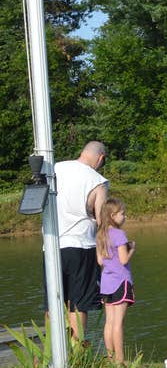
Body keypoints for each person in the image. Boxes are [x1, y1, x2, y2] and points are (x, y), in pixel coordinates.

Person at [47, 141, 109, 340]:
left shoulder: (54, 169)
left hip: (51, 246)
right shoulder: (98, 181)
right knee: (78, 304)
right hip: (82, 246)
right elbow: (102, 222)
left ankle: (52, 352)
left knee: (52, 303)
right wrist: (104, 256)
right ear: (100, 158)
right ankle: (77, 355)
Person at [95, 197, 134, 363]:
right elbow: (124, 260)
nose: (124, 217)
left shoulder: (100, 235)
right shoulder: (119, 234)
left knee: (109, 323)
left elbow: (99, 261)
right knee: (118, 323)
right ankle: (120, 360)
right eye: (122, 214)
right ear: (112, 215)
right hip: (120, 282)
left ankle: (110, 357)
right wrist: (132, 249)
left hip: (106, 284)